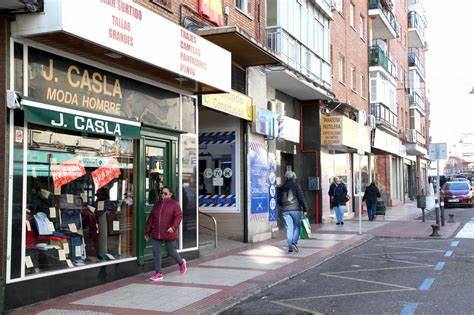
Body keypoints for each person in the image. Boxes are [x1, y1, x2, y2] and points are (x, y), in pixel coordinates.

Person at [145, 187, 187, 281]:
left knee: (171, 251)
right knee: (156, 252)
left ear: (170, 194)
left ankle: (181, 263)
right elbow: (151, 219)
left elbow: (178, 217)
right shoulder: (157, 204)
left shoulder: (175, 204)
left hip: (169, 231)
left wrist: (173, 227)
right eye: (161, 193)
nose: (162, 195)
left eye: (165, 193)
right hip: (157, 232)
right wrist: (147, 232)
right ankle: (158, 273)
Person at [277, 171, 308, 253]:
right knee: (297, 226)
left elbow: (279, 201)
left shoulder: (281, 187)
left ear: (286, 177)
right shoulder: (296, 186)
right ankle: (294, 242)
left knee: (289, 228)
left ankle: (290, 248)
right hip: (295, 210)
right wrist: (305, 209)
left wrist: (282, 206)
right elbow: (301, 198)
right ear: (293, 177)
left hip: (285, 211)